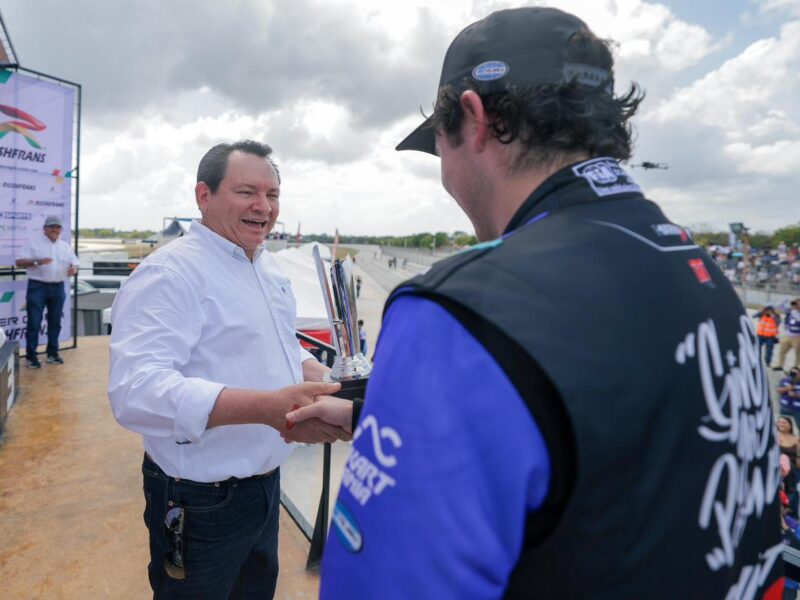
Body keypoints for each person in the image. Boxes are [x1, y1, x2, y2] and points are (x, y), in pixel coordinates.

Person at [289, 7, 783, 597]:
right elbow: (619, 449)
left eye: (438, 146)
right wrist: (383, 417)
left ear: (472, 120)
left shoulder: (461, 309)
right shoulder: (698, 271)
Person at [108, 140, 349, 599]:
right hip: (199, 500)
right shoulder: (170, 274)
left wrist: (313, 372)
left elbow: (275, 344)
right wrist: (266, 408)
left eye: (273, 194)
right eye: (247, 192)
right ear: (204, 195)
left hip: (264, 487)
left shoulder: (269, 269)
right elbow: (135, 391)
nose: (264, 206)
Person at [15, 215, 78, 368]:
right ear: (45, 229)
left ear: (61, 230)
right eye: (51, 227)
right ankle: (31, 356)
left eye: (57, 227)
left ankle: (52, 353)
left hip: (58, 287)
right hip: (38, 287)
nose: (55, 230)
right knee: (34, 323)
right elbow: (19, 262)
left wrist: (73, 270)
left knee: (55, 323)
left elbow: (74, 264)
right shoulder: (34, 243)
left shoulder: (65, 246)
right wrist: (37, 261)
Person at [776, 299, 800, 371]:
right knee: (782, 351)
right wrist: (785, 300)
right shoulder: (791, 310)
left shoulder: (794, 312)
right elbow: (779, 307)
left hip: (798, 336)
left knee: (798, 353)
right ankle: (780, 365)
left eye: (797, 303)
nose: (796, 305)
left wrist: (794, 310)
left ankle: (795, 368)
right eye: (795, 303)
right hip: (788, 335)